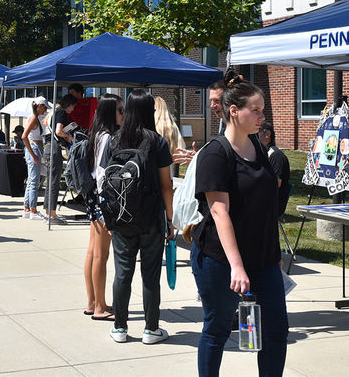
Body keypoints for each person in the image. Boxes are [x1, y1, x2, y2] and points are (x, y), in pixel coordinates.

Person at [192, 71, 287, 376]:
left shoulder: (257, 146)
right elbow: (220, 213)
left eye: (263, 110)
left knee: (276, 332)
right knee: (218, 329)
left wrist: (274, 251)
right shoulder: (215, 154)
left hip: (264, 259)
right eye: (256, 110)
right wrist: (237, 266)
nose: (262, 116)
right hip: (221, 260)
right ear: (235, 111)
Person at [106, 89, 174, 345]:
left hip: (121, 215)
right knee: (150, 273)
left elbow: (107, 177)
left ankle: (120, 328)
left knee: (122, 272)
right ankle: (150, 329)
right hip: (151, 217)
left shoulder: (115, 140)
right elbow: (166, 185)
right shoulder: (157, 142)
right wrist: (170, 218)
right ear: (149, 112)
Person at [84, 93, 123, 321]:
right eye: (120, 110)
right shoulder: (107, 137)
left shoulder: (96, 134)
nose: (123, 115)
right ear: (110, 112)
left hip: (93, 197)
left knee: (92, 251)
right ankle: (99, 307)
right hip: (102, 198)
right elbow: (102, 174)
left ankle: (92, 302)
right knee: (101, 254)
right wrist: (107, 204)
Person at [43, 93, 78, 224]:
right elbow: (58, 131)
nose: (73, 110)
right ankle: (52, 215)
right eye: (73, 106)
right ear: (69, 104)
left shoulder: (52, 112)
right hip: (54, 147)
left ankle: (48, 212)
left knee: (50, 181)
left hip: (48, 147)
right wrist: (68, 137)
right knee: (54, 182)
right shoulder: (61, 112)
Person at [173, 80, 226, 165]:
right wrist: (199, 157)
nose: (212, 105)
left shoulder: (242, 130)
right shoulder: (224, 125)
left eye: (216, 101)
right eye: (211, 101)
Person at [21, 97, 49, 220]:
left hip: (35, 147)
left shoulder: (35, 117)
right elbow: (24, 136)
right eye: (44, 106)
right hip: (34, 147)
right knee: (34, 181)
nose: (46, 109)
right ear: (39, 106)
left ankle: (27, 208)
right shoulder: (33, 118)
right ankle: (33, 210)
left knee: (32, 180)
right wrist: (33, 154)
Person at [258, 121, 291, 216]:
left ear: (267, 134)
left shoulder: (276, 155)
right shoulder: (263, 154)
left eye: (257, 132)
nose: (254, 135)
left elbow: (276, 184)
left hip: (273, 203)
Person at [154, 96, 186, 175]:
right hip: (168, 170)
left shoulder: (152, 127)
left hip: (153, 169)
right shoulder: (172, 127)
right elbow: (179, 150)